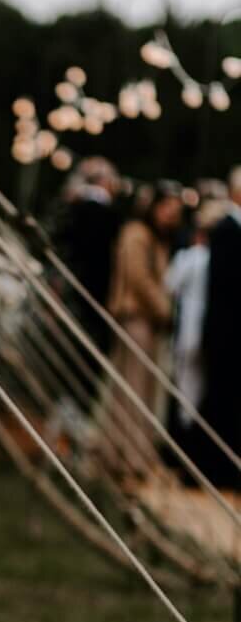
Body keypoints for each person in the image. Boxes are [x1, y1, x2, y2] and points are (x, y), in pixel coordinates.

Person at [101, 181, 182, 482]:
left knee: (139, 388)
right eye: (167, 210)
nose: (170, 217)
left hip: (145, 318)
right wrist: (165, 310)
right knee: (133, 388)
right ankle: (128, 456)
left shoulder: (152, 237)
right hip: (136, 317)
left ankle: (126, 452)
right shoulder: (137, 235)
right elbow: (139, 278)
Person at [165, 198, 226, 448]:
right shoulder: (215, 258)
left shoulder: (191, 257)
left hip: (189, 330)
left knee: (185, 386)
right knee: (198, 387)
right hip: (211, 333)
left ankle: (182, 439)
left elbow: (169, 285)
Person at [59, 158, 120, 403]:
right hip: (96, 296)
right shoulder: (109, 216)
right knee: (87, 361)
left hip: (69, 291)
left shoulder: (70, 208)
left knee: (68, 356)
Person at [196, 167, 241, 488]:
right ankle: (212, 468)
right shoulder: (226, 229)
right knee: (220, 398)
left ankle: (224, 466)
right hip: (226, 331)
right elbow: (225, 285)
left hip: (231, 331)